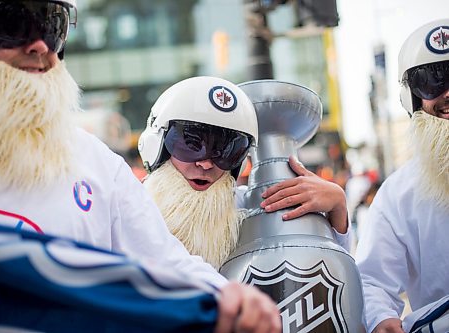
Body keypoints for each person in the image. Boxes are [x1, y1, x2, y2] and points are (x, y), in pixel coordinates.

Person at [0, 1, 282, 332]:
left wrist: (228, 299)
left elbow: (165, 263)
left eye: (53, 27)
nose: (39, 46)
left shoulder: (96, 162)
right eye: (12, 25)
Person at [138, 76, 350, 270]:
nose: (205, 164)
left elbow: (315, 267)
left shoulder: (247, 207)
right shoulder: (128, 202)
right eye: (191, 145)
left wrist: (337, 207)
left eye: (227, 151)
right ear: (160, 145)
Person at [355, 19, 449, 333]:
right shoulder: (397, 195)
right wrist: (383, 319)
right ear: (412, 98)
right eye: (433, 81)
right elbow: (372, 282)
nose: (448, 92)